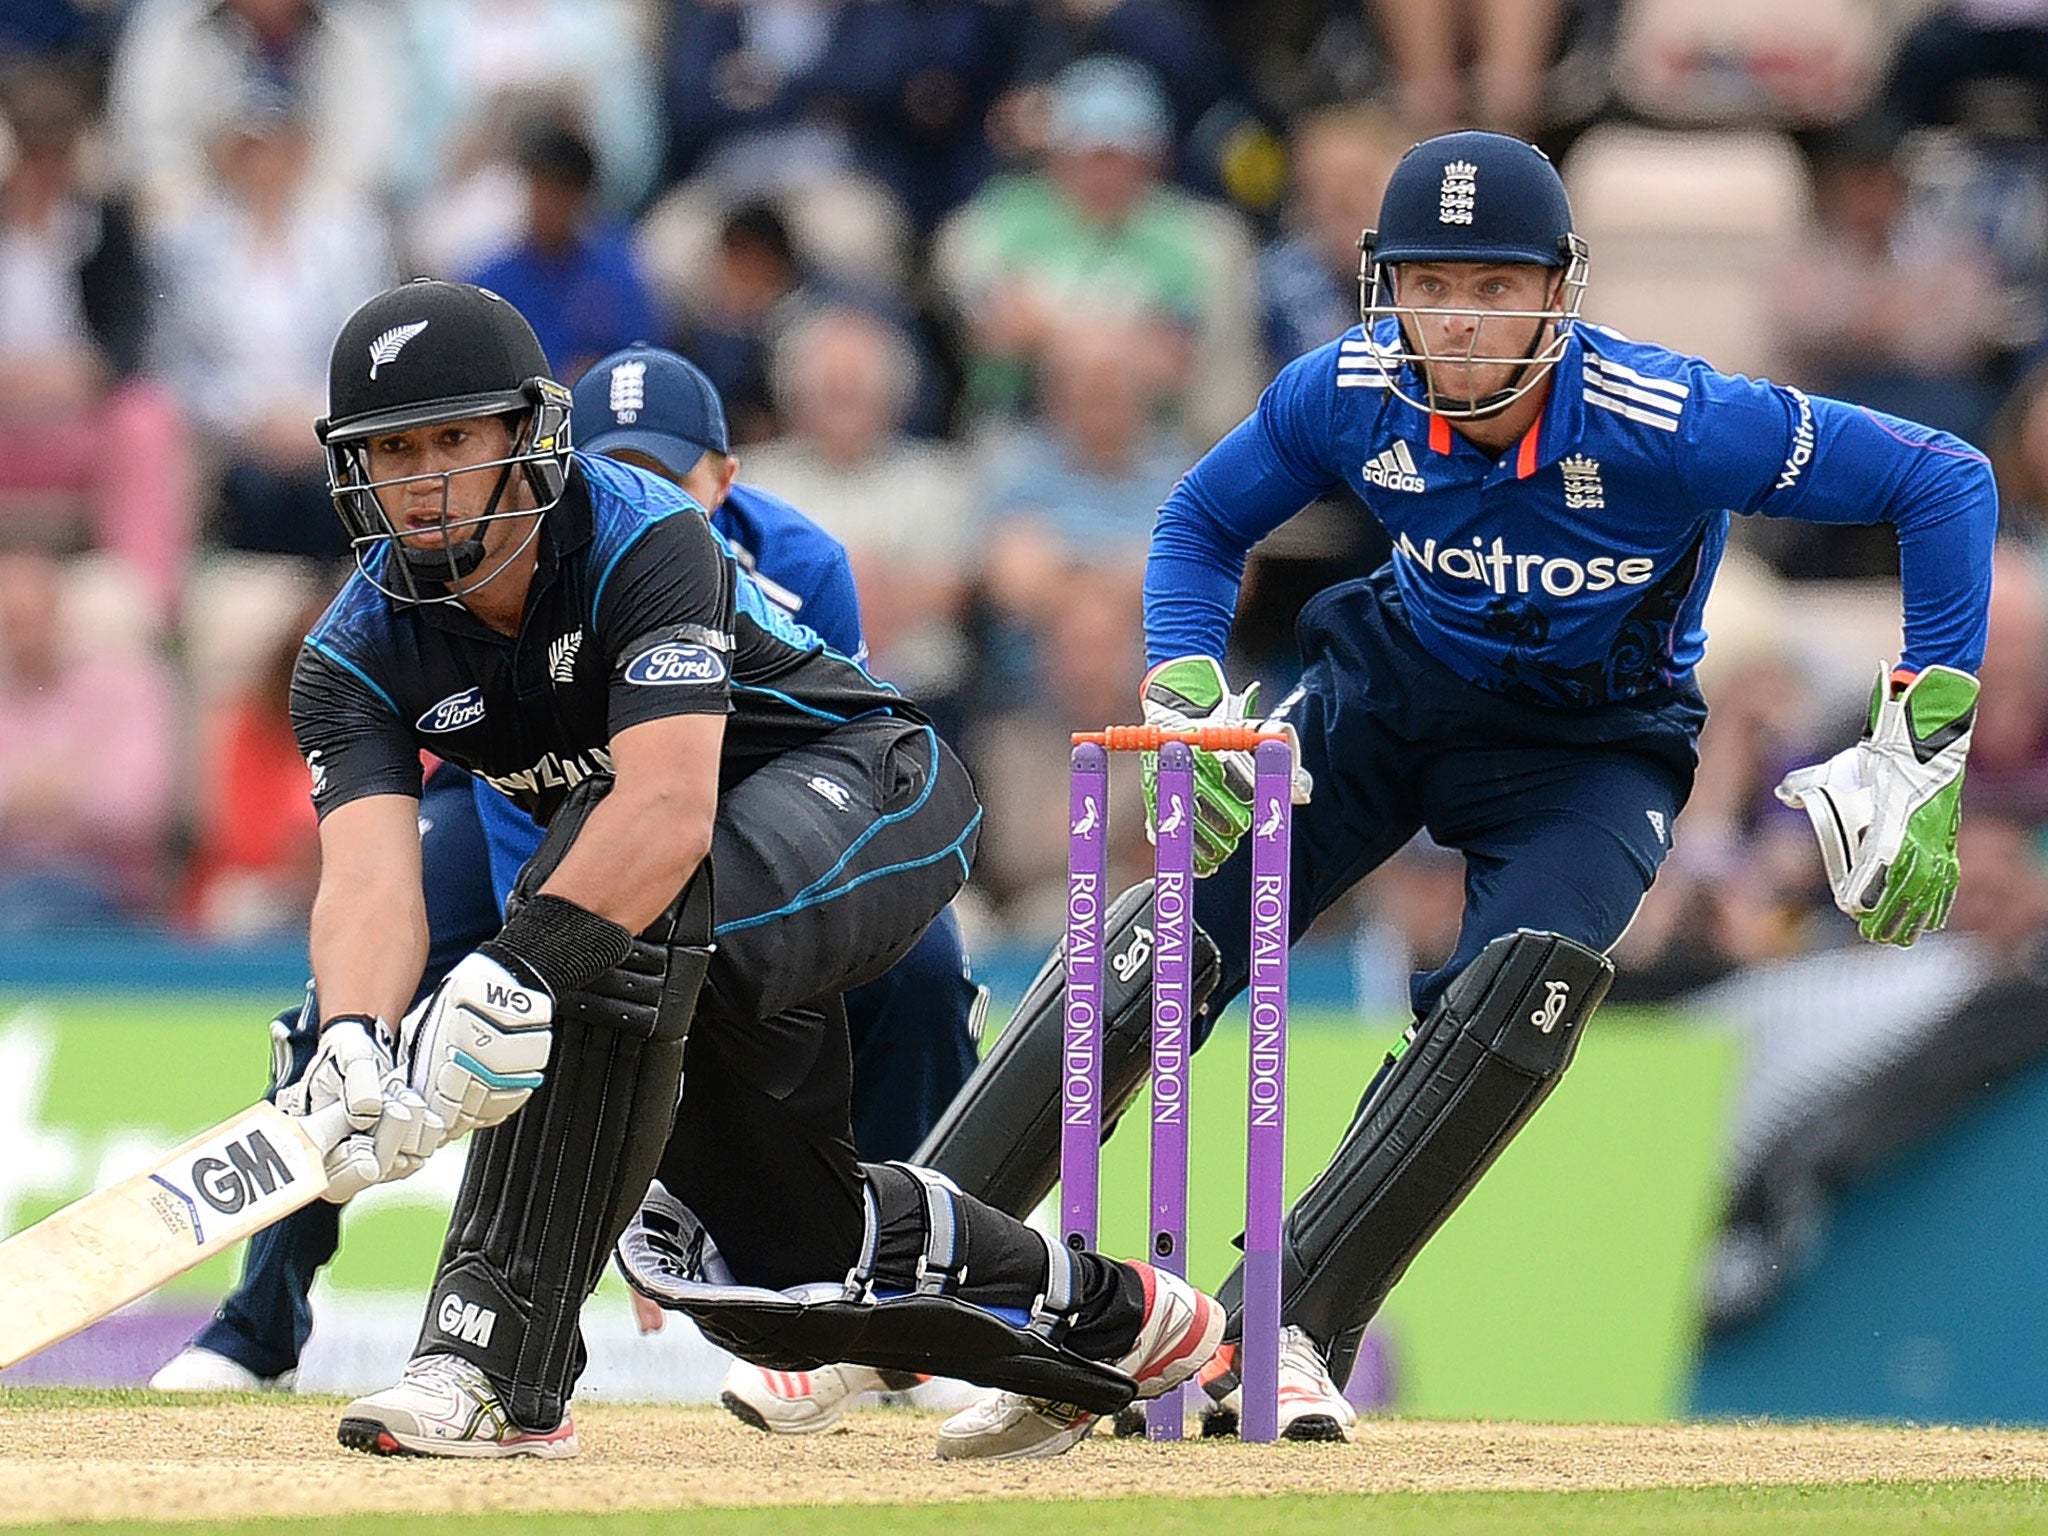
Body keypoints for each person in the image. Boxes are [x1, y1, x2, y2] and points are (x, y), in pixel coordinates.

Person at [835, 129, 1998, 1450]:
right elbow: (1201, 526)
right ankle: (894, 1285)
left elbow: (1940, 479)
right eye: (1433, 282)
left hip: (1590, 750)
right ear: (1387, 284)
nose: (1460, 318)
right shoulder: (1349, 389)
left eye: (1496, 286)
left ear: (1558, 293)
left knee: (1527, 985)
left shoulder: (1669, 418)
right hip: (1385, 698)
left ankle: (1278, 1335)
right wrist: (1187, 697)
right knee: (1168, 934)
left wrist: (1926, 740)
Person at [243, 279, 1223, 1461]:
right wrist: (355, 1032)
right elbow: (365, 880)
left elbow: (662, 811)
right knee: (789, 1258)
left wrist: (508, 978)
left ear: (526, 432)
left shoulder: (637, 531)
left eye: (454, 438)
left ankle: (486, 1366)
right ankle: (1127, 1322)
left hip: (874, 794)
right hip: (694, 913)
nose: (425, 478)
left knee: (593, 927)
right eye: (393, 450)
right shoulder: (348, 655)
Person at [149, 347, 984, 1431]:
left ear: (720, 482)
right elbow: (517, 847)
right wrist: (398, 1024)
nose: (432, 479)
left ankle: (885, 1316)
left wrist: (589, 1049)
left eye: (666, 471)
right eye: (401, 451)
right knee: (344, 1022)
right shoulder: (405, 611)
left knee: (917, 973)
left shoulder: (771, 557)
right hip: (533, 798)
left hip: (733, 789)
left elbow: (732, 801)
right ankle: (257, 1327)